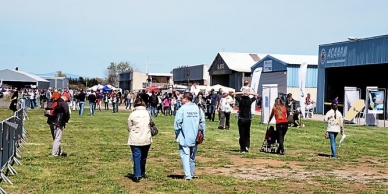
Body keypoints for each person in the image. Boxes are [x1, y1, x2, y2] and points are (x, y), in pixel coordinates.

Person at [174, 92, 205, 180]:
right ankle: (191, 173)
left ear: (186, 99)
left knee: (185, 155)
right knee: (192, 156)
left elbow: (177, 124)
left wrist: (177, 134)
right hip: (196, 137)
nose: (181, 99)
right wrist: (203, 135)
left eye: (182, 98)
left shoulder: (182, 109)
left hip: (185, 136)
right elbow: (202, 123)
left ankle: (187, 175)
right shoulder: (198, 108)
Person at [127, 98, 152, 183]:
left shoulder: (132, 114)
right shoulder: (147, 113)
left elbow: (129, 126)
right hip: (146, 137)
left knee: (136, 157)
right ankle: (142, 172)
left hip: (135, 138)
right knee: (144, 157)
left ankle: (137, 175)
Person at [47, 93, 70, 157]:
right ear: (66, 97)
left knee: (55, 138)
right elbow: (67, 112)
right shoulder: (63, 103)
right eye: (67, 99)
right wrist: (66, 120)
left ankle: (59, 152)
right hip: (58, 122)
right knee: (57, 139)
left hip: (51, 121)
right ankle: (54, 154)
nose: (67, 101)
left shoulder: (54, 101)